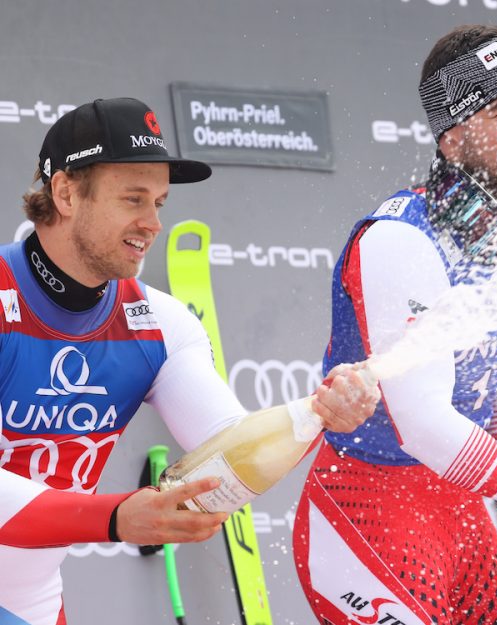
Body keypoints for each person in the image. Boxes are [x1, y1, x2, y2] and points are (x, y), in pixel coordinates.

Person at [293, 24, 497, 625]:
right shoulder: (400, 238)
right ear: (450, 137)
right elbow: (423, 424)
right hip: (369, 510)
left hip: (466, 516)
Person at [0, 97, 379, 625]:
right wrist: (114, 517)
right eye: (133, 199)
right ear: (65, 192)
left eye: (159, 202)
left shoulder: (162, 323)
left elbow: (230, 447)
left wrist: (320, 411)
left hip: (30, 602)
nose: (152, 222)